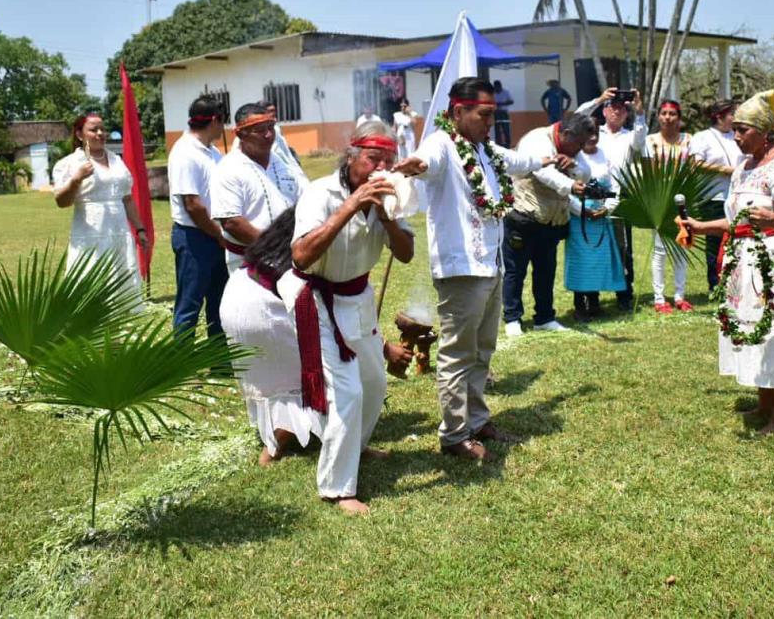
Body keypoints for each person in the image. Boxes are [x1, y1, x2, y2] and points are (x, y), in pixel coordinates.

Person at [394, 76, 565, 461]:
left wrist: (547, 159)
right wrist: (416, 165)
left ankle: (477, 419)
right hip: (461, 268)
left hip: (490, 263)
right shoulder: (442, 144)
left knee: (482, 349)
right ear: (458, 112)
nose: (490, 121)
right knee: (457, 354)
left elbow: (516, 160)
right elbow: (428, 161)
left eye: (493, 114)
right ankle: (454, 435)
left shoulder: (484, 150)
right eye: (484, 114)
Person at [289, 121, 415, 514]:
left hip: (357, 295)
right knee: (347, 392)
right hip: (318, 296)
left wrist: (387, 214)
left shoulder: (389, 193)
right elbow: (302, 256)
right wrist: (352, 204)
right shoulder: (319, 193)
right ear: (351, 157)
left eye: (388, 160)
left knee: (375, 382)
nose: (380, 166)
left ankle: (353, 449)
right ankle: (338, 488)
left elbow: (407, 254)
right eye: (372, 158)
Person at [678, 90, 774, 435]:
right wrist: (700, 226)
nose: (736, 137)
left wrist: (771, 218)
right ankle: (764, 403)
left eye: (743, 130)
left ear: (764, 132)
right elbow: (736, 220)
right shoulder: (743, 168)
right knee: (753, 325)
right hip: (743, 257)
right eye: (734, 129)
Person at [219, 208, 323, 465]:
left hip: (236, 295)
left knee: (283, 375)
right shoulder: (311, 236)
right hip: (261, 309)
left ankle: (279, 437)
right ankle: (274, 445)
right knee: (315, 369)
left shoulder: (286, 228)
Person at [502, 112, 594, 334]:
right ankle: (513, 319)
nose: (581, 149)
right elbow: (544, 173)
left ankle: (544, 317)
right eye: (579, 143)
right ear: (567, 134)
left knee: (546, 271)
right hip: (523, 216)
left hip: (552, 221)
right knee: (516, 271)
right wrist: (571, 185)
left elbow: (586, 174)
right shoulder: (537, 140)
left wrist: (574, 167)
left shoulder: (572, 146)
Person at [52, 113, 147, 296]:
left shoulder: (117, 161)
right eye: (93, 129)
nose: (100, 133)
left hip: (119, 232)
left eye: (103, 129)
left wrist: (140, 229)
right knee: (92, 279)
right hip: (91, 234)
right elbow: (61, 202)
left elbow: (126, 198)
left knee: (122, 282)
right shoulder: (70, 164)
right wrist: (76, 179)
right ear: (80, 134)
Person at [575, 87, 647, 310]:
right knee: (593, 247)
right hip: (590, 194)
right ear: (604, 112)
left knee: (621, 246)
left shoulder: (630, 135)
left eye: (621, 109)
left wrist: (640, 111)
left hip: (618, 195)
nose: (617, 112)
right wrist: (598, 99)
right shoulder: (594, 132)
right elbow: (578, 116)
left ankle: (624, 292)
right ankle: (591, 295)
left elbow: (641, 138)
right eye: (612, 108)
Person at [210, 103, 305, 271]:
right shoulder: (229, 168)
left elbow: (302, 198)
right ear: (241, 134)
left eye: (271, 127)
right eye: (260, 130)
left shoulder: (282, 163)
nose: (268, 135)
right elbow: (232, 222)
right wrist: (274, 247)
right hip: (249, 263)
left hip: (289, 258)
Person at [167, 95, 229, 342]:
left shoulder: (212, 152)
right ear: (215, 120)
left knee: (219, 303)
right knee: (189, 304)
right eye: (223, 121)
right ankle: (182, 365)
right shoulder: (185, 153)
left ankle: (220, 363)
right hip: (194, 237)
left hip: (214, 235)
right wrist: (218, 234)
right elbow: (192, 205)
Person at [564, 133, 624, 319]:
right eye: (587, 133)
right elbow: (565, 191)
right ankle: (579, 305)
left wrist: (606, 208)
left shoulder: (607, 157)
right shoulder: (571, 159)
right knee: (580, 261)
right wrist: (581, 211)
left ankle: (594, 302)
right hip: (578, 217)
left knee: (597, 260)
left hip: (600, 216)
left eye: (595, 133)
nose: (591, 137)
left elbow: (615, 188)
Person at [689, 100, 743, 291]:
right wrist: (724, 170)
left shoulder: (737, 136)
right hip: (714, 197)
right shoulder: (702, 137)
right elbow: (695, 164)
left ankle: (736, 279)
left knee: (738, 237)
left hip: (737, 196)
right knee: (715, 241)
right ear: (720, 117)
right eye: (732, 114)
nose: (735, 118)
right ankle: (716, 282)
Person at [646, 100, 693, 313]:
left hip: (684, 199)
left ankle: (679, 295)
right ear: (658, 117)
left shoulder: (689, 140)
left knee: (682, 246)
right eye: (663, 113)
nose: (667, 117)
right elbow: (648, 172)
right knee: (660, 250)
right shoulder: (651, 141)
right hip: (660, 201)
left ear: (679, 118)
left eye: (672, 113)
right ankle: (659, 298)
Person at [493, 80, 515, 147]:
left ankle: (507, 144)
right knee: (497, 130)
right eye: (496, 87)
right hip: (496, 113)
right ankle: (498, 145)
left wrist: (502, 104)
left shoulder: (506, 92)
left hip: (504, 113)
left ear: (500, 86)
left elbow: (511, 101)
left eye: (498, 87)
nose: (497, 88)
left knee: (506, 129)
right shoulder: (492, 93)